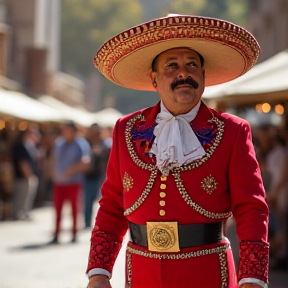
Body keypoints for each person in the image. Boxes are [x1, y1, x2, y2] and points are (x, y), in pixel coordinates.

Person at [86, 14, 269, 288]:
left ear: (203, 76)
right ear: (154, 79)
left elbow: (251, 208)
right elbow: (112, 205)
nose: (184, 73)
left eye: (192, 65)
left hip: (207, 274)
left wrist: (252, 278)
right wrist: (99, 271)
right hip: (142, 274)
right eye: (172, 66)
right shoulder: (125, 129)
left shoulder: (232, 131)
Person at [50, 121, 91, 244]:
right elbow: (53, 159)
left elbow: (85, 162)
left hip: (74, 182)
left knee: (74, 209)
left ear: (73, 130)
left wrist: (71, 170)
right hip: (59, 182)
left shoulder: (81, 144)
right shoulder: (59, 143)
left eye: (67, 130)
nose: (64, 133)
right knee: (57, 209)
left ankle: (74, 233)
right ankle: (56, 233)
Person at [84, 123, 111, 228]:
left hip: (101, 175)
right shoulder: (87, 142)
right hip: (89, 175)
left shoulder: (106, 144)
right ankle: (87, 222)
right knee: (88, 201)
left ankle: (101, 222)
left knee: (103, 200)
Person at [11, 127, 41, 220]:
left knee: (27, 196)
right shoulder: (21, 145)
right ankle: (18, 214)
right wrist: (28, 175)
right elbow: (23, 162)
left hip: (27, 176)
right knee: (21, 196)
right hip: (23, 177)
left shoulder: (29, 145)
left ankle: (24, 213)